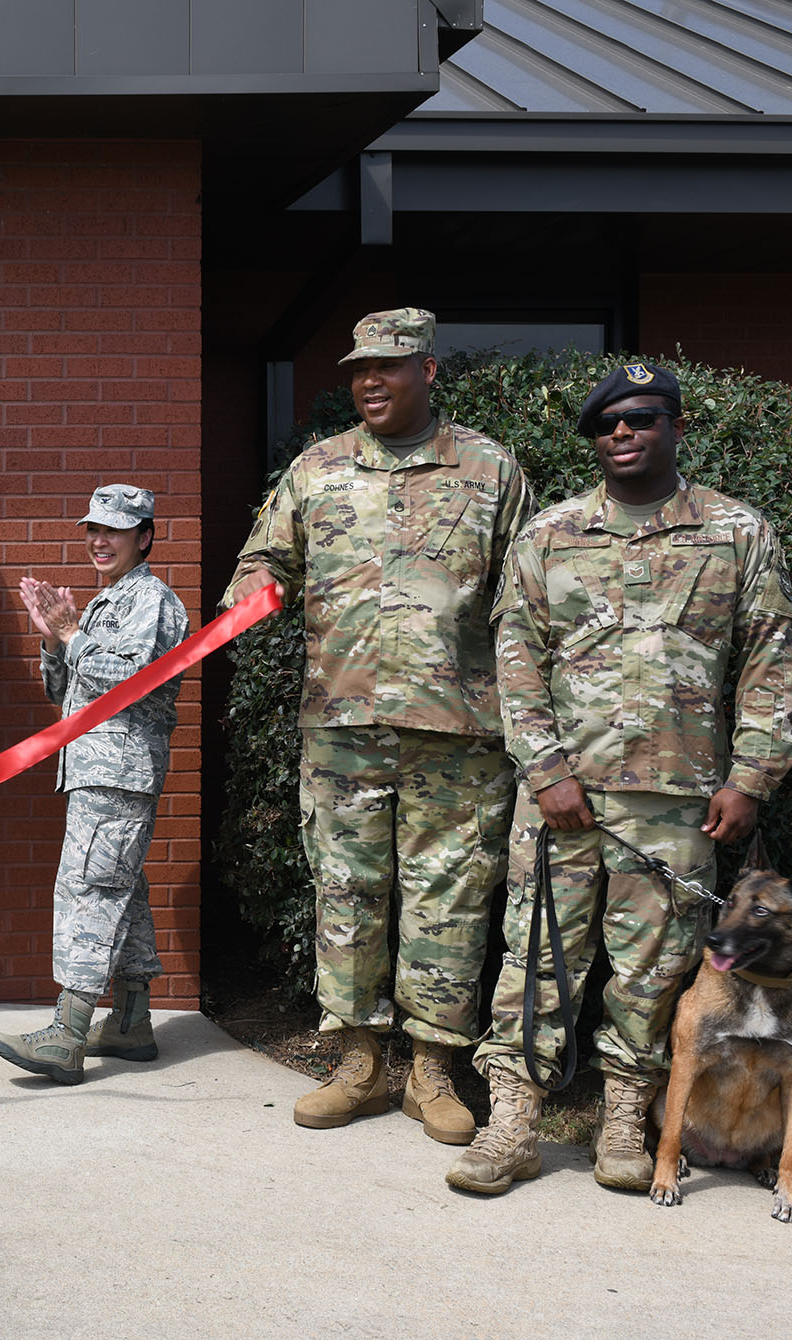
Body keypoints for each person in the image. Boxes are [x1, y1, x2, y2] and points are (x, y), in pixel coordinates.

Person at [448, 360, 792, 1197]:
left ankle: (622, 1120)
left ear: (676, 427)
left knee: (654, 969)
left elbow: (771, 663)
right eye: (607, 425)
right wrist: (544, 769)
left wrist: (751, 776)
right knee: (534, 957)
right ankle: (513, 1122)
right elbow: (516, 663)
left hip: (678, 805)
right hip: (561, 801)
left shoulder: (737, 534)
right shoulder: (549, 536)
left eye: (641, 420)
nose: (622, 434)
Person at [226, 308, 533, 1144]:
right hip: (343, 723)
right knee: (346, 896)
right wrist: (247, 605)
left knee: (450, 901)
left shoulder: (489, 469)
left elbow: (526, 595)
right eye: (359, 368)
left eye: (388, 368)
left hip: (459, 729)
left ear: (427, 372)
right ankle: (357, 1064)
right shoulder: (317, 469)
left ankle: (433, 1071)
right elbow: (265, 559)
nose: (369, 381)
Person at [0, 485, 190, 1085]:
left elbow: (127, 679)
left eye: (114, 530)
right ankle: (129, 1023)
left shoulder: (148, 600)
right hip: (98, 769)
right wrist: (55, 640)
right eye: (92, 530)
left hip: (118, 772)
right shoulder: (108, 603)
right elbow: (67, 692)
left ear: (145, 536)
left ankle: (69, 1033)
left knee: (89, 891)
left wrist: (72, 634)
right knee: (119, 888)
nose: (99, 541)